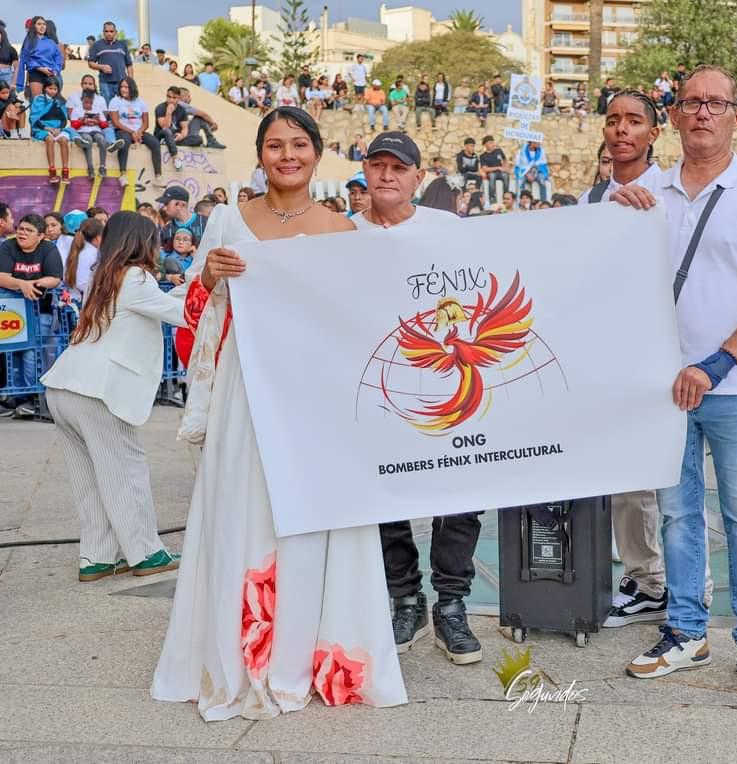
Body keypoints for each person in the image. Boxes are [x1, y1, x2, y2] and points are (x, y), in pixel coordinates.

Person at [153, 107, 408, 719]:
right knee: (243, 506)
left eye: (298, 144)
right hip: (247, 389)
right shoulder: (226, 222)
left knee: (312, 517)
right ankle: (238, 651)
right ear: (260, 155)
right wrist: (209, 279)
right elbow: (193, 311)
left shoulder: (347, 232)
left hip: (315, 397)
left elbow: (365, 322)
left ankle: (302, 652)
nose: (286, 155)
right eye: (274, 145)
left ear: (318, 154)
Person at [611, 65, 737, 700]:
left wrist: (717, 363)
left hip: (734, 384)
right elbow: (610, 271)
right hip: (666, 390)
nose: (703, 113)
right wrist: (617, 210)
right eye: (691, 102)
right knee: (678, 515)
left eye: (716, 103)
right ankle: (686, 630)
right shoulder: (650, 190)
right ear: (676, 114)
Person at [347, 131, 483, 664]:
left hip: (444, 379)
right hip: (377, 387)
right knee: (385, 496)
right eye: (377, 165)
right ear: (364, 172)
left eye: (397, 168)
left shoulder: (447, 228)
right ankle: (405, 597)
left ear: (416, 177)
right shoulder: (342, 234)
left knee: (462, 493)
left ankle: (451, 605)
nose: (386, 175)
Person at [40, 211, 185, 579]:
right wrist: (211, 289)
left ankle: (97, 557)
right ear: (141, 241)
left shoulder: (104, 275)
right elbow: (181, 312)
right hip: (97, 391)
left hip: (65, 387)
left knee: (89, 478)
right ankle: (146, 552)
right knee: (125, 471)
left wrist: (194, 282)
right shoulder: (135, 277)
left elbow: (162, 301)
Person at [578, 90, 673, 627]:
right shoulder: (590, 200)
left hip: (664, 352)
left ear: (653, 132)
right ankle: (646, 582)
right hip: (606, 355)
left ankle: (686, 589)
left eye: (634, 121)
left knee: (673, 483)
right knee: (625, 482)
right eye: (613, 120)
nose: (621, 130)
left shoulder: (673, 192)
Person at [0, 214, 63, 417]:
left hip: (39, 309)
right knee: (11, 353)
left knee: (31, 352)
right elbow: (2, 277)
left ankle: (32, 397)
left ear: (41, 236)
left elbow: (54, 278)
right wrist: (22, 284)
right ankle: (15, 398)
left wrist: (35, 284)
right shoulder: (8, 247)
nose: (22, 233)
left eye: (29, 230)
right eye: (21, 228)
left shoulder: (48, 249)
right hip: (11, 310)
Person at [108, 77, 165, 188]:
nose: (123, 89)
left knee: (155, 143)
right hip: (122, 130)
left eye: (126, 87)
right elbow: (115, 122)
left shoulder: (141, 102)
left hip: (139, 131)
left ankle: (158, 176)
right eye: (121, 87)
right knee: (124, 141)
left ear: (132, 88)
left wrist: (138, 132)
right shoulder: (115, 101)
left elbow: (146, 123)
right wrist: (132, 132)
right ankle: (123, 175)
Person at [29, 77, 75, 185]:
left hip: (57, 129)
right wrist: (47, 128)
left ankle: (65, 171)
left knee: (64, 140)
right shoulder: (38, 99)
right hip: (42, 128)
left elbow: (64, 119)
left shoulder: (60, 101)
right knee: (49, 139)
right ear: (45, 88)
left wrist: (59, 129)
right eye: (50, 88)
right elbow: (34, 119)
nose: (53, 91)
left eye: (55, 89)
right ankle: (52, 170)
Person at [69, 87, 111, 180]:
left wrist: (98, 121)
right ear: (81, 100)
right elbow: (73, 126)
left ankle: (102, 166)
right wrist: (83, 121)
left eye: (90, 103)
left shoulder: (97, 109)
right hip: (82, 131)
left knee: (101, 139)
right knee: (88, 140)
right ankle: (90, 167)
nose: (88, 105)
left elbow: (105, 125)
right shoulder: (76, 110)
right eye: (86, 103)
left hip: (95, 130)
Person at [17, 16, 62, 100]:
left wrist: (56, 70)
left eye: (44, 24)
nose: (42, 26)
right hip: (36, 74)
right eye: (39, 24)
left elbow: (58, 58)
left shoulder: (51, 42)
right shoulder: (29, 41)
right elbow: (25, 59)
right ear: (34, 26)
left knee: (51, 104)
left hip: (51, 75)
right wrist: (40, 68)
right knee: (38, 102)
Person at [86, 21, 131, 104]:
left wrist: (130, 81)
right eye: (106, 31)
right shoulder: (97, 45)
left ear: (115, 32)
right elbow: (90, 63)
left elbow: (129, 65)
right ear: (103, 32)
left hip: (121, 83)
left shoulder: (122, 45)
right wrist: (101, 67)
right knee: (107, 106)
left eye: (111, 31)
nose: (109, 33)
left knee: (123, 106)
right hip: (105, 83)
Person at [62, 216, 104, 301]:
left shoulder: (79, 250)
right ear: (98, 237)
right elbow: (81, 283)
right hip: (82, 301)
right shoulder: (90, 253)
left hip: (74, 298)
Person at [157, 186, 207, 254]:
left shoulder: (205, 222)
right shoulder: (166, 230)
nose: (164, 208)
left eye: (166, 204)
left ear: (181, 204)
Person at [478, 135, 509, 203]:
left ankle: (506, 196)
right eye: (490, 143)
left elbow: (505, 160)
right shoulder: (483, 156)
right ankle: (492, 198)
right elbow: (485, 169)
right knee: (492, 176)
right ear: (485, 145)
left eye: (493, 142)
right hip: (491, 173)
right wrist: (497, 167)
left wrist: (505, 168)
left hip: (501, 173)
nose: (493, 144)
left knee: (506, 175)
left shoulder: (499, 151)